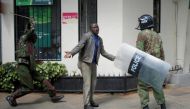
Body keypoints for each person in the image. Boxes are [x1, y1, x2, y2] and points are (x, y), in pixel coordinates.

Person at [5, 19, 63, 107]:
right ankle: (11, 97)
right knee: (28, 88)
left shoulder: (31, 45)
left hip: (30, 66)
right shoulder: (23, 39)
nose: (35, 38)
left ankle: (53, 96)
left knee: (43, 79)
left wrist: (36, 61)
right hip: (23, 66)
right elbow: (30, 33)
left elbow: (30, 56)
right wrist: (32, 25)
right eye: (34, 36)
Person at [64, 23, 115, 109]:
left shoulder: (99, 39)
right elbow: (79, 46)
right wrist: (71, 53)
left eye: (97, 27)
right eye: (94, 27)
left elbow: (103, 52)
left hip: (93, 63)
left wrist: (114, 58)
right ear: (90, 29)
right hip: (85, 62)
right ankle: (86, 104)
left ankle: (91, 100)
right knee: (87, 83)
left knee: (93, 83)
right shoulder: (87, 36)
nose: (97, 28)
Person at [135, 14, 166, 109]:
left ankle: (145, 106)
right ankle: (162, 105)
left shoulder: (142, 34)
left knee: (142, 86)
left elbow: (139, 51)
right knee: (157, 85)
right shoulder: (157, 35)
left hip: (145, 64)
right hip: (156, 64)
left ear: (144, 22)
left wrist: (136, 66)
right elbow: (162, 51)